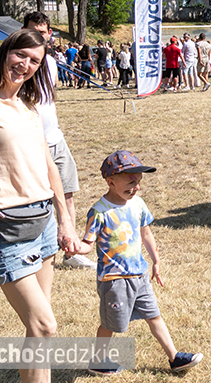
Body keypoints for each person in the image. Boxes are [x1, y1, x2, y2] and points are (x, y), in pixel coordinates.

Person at [0, 29, 81, 382]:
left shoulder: (28, 106)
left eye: (34, 61)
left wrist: (66, 222)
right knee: (44, 324)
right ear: (5, 53)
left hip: (43, 224)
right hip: (5, 229)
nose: (25, 65)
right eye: (20, 55)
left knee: (38, 331)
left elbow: (49, 166)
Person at [78, 151, 203, 375]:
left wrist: (156, 260)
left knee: (154, 316)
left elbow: (146, 233)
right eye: (131, 182)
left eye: (139, 182)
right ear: (110, 182)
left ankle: (174, 357)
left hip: (140, 275)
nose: (136, 187)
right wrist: (75, 248)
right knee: (110, 324)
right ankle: (98, 360)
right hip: (114, 280)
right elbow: (87, 244)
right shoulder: (99, 212)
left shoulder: (138, 204)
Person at [24, 12, 95, 270]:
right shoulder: (18, 62)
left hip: (55, 138)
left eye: (42, 32)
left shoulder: (52, 62)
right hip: (29, 143)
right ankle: (35, 253)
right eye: (33, 31)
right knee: (34, 200)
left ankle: (70, 251)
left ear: (49, 34)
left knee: (66, 194)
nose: (38, 36)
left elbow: (49, 98)